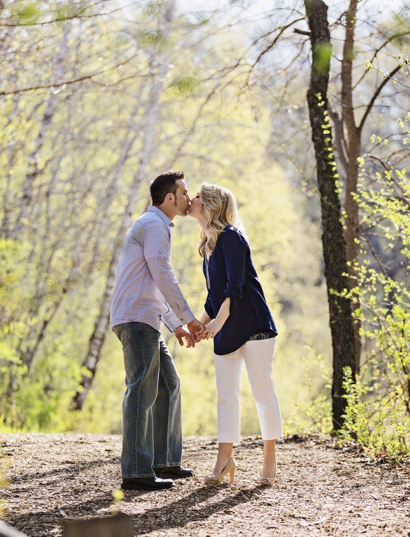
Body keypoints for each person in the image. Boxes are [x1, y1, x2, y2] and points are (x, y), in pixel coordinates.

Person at [110, 170, 206, 491]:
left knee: (168, 384)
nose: (189, 198)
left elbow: (151, 284)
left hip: (145, 316)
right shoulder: (153, 226)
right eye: (184, 193)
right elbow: (163, 274)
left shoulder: (155, 226)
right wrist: (189, 317)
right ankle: (137, 470)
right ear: (170, 198)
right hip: (137, 320)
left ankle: (164, 461)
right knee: (142, 390)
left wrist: (176, 325)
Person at [189, 182, 282, 486]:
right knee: (226, 396)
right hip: (226, 326)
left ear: (212, 205)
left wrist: (217, 322)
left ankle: (270, 460)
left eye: (198, 197)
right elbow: (214, 296)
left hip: (253, 324)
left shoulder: (232, 237)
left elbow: (235, 288)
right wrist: (201, 324)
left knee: (262, 391)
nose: (192, 199)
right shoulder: (207, 244)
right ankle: (224, 460)